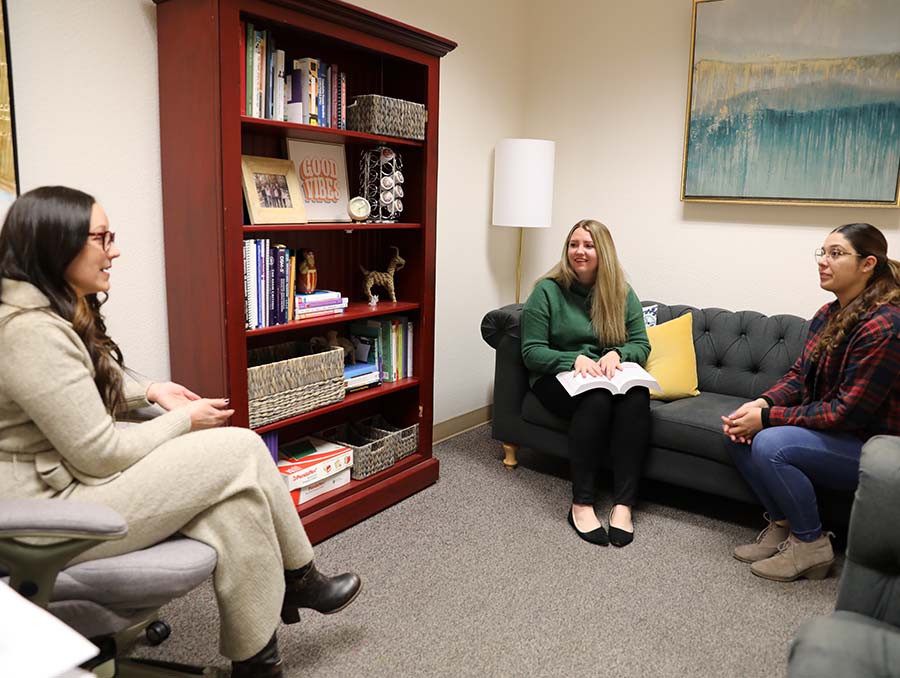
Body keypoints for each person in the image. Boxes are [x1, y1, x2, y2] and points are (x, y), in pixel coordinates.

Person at [0, 186, 361, 677]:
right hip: (51, 514)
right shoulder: (28, 330)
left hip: (70, 485)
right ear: (55, 243)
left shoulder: (46, 307)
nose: (115, 250)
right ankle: (301, 578)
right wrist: (182, 421)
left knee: (238, 499)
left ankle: (259, 661)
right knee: (241, 447)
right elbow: (100, 453)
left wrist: (152, 391)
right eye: (102, 238)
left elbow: (68, 390)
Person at [722, 223, 900, 582]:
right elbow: (798, 375)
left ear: (867, 264)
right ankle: (783, 524)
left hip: (879, 446)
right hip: (843, 433)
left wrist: (769, 419)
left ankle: (811, 545)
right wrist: (760, 403)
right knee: (738, 430)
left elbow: (845, 413)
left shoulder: (885, 325)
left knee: (770, 442)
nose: (823, 261)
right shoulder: (828, 313)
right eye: (823, 252)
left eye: (836, 254)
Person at [521, 219, 651, 547]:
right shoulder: (547, 291)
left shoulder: (620, 291)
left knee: (636, 395)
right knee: (596, 400)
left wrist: (617, 354)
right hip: (554, 377)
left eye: (588, 245)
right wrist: (572, 359)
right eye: (574, 244)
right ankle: (581, 503)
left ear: (603, 252)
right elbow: (531, 352)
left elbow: (642, 344)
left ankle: (623, 505)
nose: (580, 251)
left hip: (601, 374)